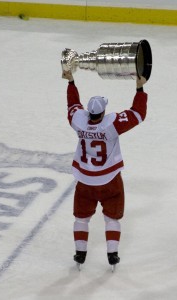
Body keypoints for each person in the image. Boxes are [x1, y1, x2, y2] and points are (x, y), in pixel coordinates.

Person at [62, 70, 148, 268]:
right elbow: (138, 113)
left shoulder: (79, 121)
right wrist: (139, 88)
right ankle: (112, 254)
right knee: (112, 218)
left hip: (85, 179)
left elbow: (73, 105)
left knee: (81, 218)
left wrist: (71, 82)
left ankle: (80, 254)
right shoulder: (112, 124)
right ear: (102, 112)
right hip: (109, 179)